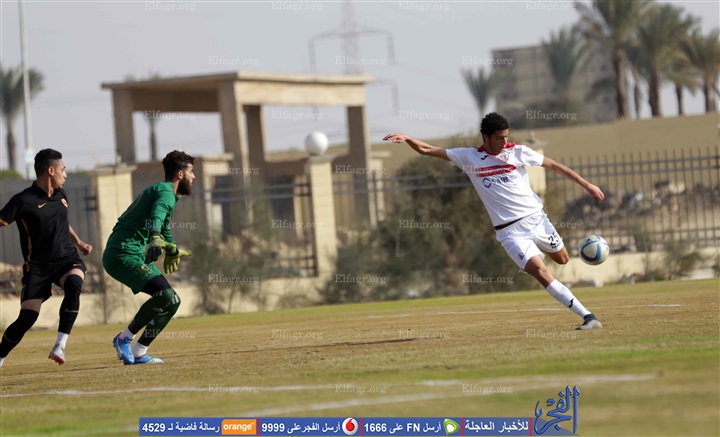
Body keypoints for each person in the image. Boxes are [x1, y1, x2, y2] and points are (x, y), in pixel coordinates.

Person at [384, 112, 604, 330]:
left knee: (562, 259)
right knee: (541, 273)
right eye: (499, 138)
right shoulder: (469, 157)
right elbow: (427, 149)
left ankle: (547, 256)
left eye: (506, 136)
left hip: (537, 220)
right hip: (510, 232)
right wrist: (409, 138)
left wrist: (587, 185)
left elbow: (554, 166)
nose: (504, 142)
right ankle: (588, 317)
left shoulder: (517, 152)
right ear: (486, 137)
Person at [0, 149, 93, 367]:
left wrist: (79, 243)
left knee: (74, 283)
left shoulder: (61, 196)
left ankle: (60, 345)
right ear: (51, 171)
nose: (65, 175)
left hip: (66, 259)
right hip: (37, 268)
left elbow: (62, 223)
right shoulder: (23, 200)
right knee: (27, 318)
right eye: (63, 170)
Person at [103, 150, 194, 365]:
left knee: (172, 301)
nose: (194, 176)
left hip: (131, 255)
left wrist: (172, 249)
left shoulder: (166, 192)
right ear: (180, 174)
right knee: (164, 294)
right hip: (121, 255)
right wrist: (154, 236)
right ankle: (124, 338)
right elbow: (157, 217)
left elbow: (164, 226)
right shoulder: (165, 192)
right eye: (191, 171)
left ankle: (139, 351)